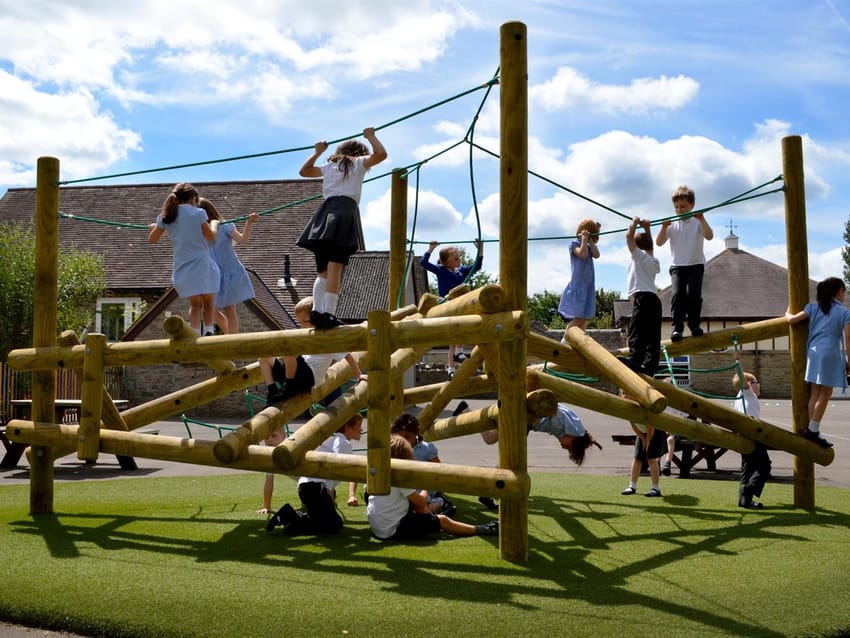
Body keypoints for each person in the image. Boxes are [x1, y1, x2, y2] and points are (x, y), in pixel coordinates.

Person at [297, 127, 387, 330]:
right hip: (344, 212)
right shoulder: (357, 163)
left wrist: (317, 151)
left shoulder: (329, 167)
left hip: (324, 215)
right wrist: (372, 137)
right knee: (335, 268)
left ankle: (318, 311)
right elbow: (381, 155)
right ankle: (328, 313)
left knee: (323, 272)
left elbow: (304, 171)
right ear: (359, 153)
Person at [366, 435, 498, 541]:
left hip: (378, 528)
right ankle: (484, 529)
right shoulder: (400, 477)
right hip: (393, 530)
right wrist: (425, 489)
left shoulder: (381, 472)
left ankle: (432, 520)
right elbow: (420, 502)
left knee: (419, 510)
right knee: (443, 520)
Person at [266, 413, 363, 535]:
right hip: (315, 488)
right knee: (332, 525)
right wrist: (329, 491)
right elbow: (334, 469)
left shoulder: (336, 440)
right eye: (359, 425)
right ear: (348, 428)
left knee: (335, 522)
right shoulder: (342, 443)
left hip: (309, 487)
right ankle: (289, 520)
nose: (361, 429)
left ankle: (291, 520)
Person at [259, 296, 365, 406]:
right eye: (300, 322)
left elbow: (347, 356)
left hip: (308, 379)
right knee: (264, 357)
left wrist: (359, 375)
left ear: (317, 318)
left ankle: (288, 387)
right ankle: (272, 390)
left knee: (289, 348)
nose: (303, 326)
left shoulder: (327, 339)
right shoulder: (305, 335)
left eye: (306, 321)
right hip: (295, 374)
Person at [785, 276, 850, 448]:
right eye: (845, 291)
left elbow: (791, 320)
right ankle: (813, 430)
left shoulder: (812, 307)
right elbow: (848, 338)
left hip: (813, 352)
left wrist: (787, 311)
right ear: (839, 292)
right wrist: (849, 360)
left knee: (815, 392)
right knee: (826, 393)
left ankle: (811, 427)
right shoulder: (844, 312)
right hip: (830, 352)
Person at [148, 182, 220, 336]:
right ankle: (208, 331)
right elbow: (211, 237)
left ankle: (194, 333)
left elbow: (152, 239)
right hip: (201, 265)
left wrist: (158, 226)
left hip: (183, 266)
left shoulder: (166, 217)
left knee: (195, 304)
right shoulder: (199, 214)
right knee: (208, 301)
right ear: (194, 199)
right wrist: (214, 224)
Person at [655, 185, 714, 341]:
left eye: (683, 206)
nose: (679, 210)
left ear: (692, 205)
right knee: (678, 295)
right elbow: (659, 242)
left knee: (694, 295)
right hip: (677, 266)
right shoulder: (672, 224)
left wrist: (702, 218)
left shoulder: (697, 222)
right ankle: (677, 328)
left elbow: (709, 236)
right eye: (677, 207)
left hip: (696, 265)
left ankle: (694, 325)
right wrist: (663, 227)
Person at [420, 239, 484, 377]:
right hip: (448, 306)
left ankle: (451, 369)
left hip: (460, 306)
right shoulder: (441, 270)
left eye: (459, 257)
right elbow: (423, 263)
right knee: (455, 335)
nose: (459, 260)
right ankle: (457, 356)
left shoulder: (461, 271)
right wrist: (430, 249)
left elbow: (477, 266)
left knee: (455, 338)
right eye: (456, 258)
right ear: (447, 261)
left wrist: (480, 250)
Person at [198, 197, 258, 334]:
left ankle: (232, 339)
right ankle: (228, 333)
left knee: (229, 309)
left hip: (229, 272)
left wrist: (249, 223)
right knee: (206, 305)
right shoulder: (199, 232)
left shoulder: (225, 226)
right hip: (212, 274)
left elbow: (243, 240)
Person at [480, 403, 601, 466]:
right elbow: (556, 410)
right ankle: (491, 492)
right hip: (527, 421)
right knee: (511, 457)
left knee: (490, 439)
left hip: (527, 423)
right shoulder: (574, 430)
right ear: (574, 441)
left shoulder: (570, 431)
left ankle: (467, 411)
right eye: (568, 447)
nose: (563, 447)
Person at [391, 413, 455, 516]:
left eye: (407, 437)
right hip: (406, 485)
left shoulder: (427, 448)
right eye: (400, 437)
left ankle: (441, 502)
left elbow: (440, 469)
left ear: (416, 433)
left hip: (423, 486)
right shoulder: (395, 447)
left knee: (419, 507)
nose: (403, 441)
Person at [619, 217, 661, 375]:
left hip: (642, 299)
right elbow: (650, 246)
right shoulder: (653, 260)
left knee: (637, 330)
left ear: (637, 246)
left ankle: (635, 359)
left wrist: (635, 223)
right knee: (652, 334)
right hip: (655, 300)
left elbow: (629, 238)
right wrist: (647, 229)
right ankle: (651, 365)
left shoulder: (639, 256)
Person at [732, 371, 771, 508]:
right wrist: (738, 362)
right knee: (765, 466)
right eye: (756, 382)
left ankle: (744, 501)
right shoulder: (748, 394)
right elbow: (742, 379)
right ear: (749, 384)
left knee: (748, 468)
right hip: (751, 435)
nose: (759, 385)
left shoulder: (740, 397)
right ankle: (749, 490)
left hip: (743, 435)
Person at [558, 218, 601, 338]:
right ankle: (566, 340)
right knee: (579, 317)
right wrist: (583, 240)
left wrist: (590, 241)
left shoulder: (588, 245)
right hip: (578, 285)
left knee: (584, 318)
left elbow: (597, 255)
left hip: (588, 286)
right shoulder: (574, 244)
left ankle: (578, 342)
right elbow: (582, 254)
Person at [621, 393, 665, 497]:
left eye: (626, 394)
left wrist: (648, 441)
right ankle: (632, 486)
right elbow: (632, 424)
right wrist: (642, 438)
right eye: (623, 393)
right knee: (637, 458)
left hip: (655, 431)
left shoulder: (643, 407)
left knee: (651, 458)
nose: (624, 396)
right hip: (642, 433)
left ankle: (655, 488)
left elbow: (650, 426)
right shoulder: (626, 409)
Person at [257, 426, 287, 515]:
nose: (269, 440)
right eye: (266, 437)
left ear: (284, 436)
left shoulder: (293, 449)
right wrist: (267, 506)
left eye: (274, 436)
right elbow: (269, 482)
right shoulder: (271, 456)